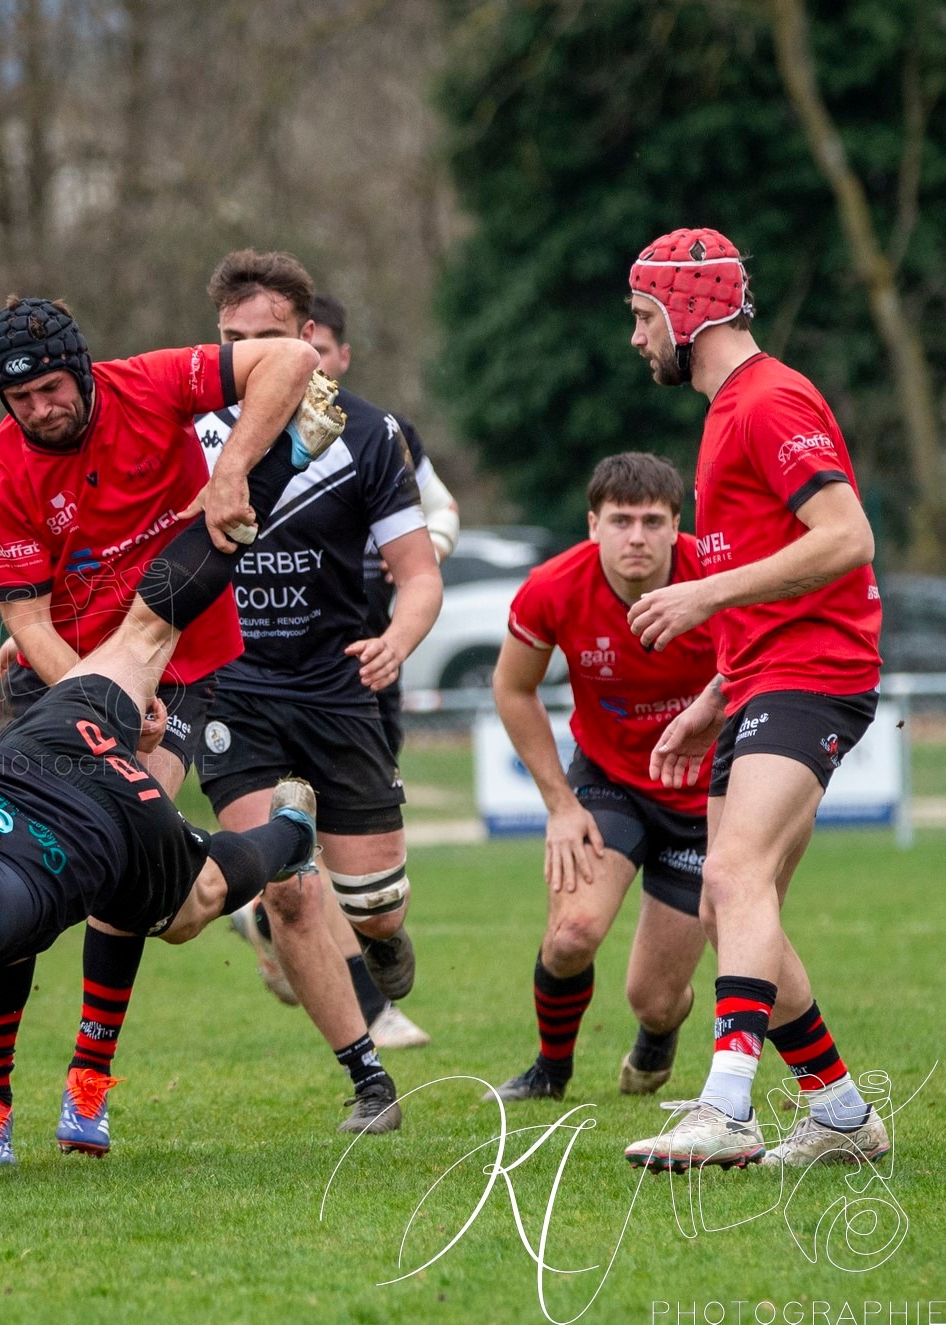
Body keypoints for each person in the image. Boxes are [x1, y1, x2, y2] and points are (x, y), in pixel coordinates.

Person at [0, 521, 344, 1169]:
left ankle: (289, 833)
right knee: (146, 629)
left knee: (194, 906)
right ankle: (257, 478)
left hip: (118, 817)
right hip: (44, 745)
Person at [0, 293, 331, 1159]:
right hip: (66, 680)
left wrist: (234, 467)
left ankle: (87, 1087)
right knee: (5, 893)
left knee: (131, 878)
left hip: (183, 668)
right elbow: (29, 626)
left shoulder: (150, 384)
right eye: (21, 402)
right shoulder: (0, 476)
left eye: (53, 389)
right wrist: (105, 703)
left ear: (82, 369)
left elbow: (292, 358)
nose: (41, 410)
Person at [620, 228, 887, 1171]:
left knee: (733, 877)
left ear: (688, 313)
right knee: (738, 904)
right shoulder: (729, 409)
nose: (638, 338)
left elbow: (845, 536)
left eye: (645, 316)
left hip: (816, 675)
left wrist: (704, 593)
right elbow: (779, 575)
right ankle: (844, 1114)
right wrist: (711, 695)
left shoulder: (770, 400)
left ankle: (728, 1107)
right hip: (764, 679)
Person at [191, 252, 443, 1132]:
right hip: (234, 693)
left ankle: (383, 940)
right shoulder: (189, 434)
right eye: (230, 341)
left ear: (307, 342)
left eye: (263, 339)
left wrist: (397, 639)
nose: (245, 356)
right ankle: (370, 1080)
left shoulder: (371, 437)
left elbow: (417, 575)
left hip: (339, 691)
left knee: (375, 906)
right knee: (289, 887)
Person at [484, 453, 711, 1103]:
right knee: (571, 934)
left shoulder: (717, 579)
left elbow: (765, 661)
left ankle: (660, 1032)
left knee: (655, 998)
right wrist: (559, 805)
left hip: (704, 799)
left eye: (651, 520)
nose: (635, 536)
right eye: (619, 520)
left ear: (676, 526)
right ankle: (549, 1071)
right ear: (592, 524)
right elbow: (513, 687)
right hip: (612, 781)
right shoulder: (552, 588)